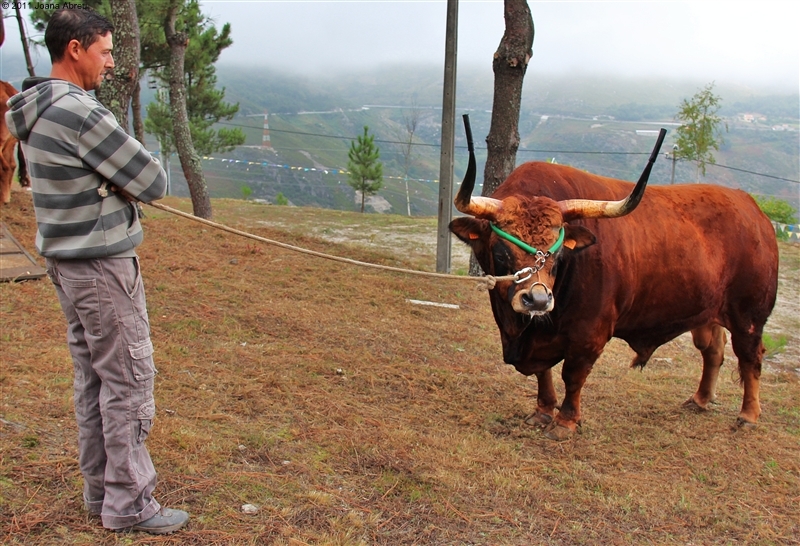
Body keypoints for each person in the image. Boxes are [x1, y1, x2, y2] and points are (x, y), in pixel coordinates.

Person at [5, 7, 189, 535]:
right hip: (102, 265)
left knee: (93, 380)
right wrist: (123, 180)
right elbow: (152, 181)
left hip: (65, 260)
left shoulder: (35, 108)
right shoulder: (81, 113)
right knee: (129, 379)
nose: (111, 63)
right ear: (76, 49)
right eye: (106, 52)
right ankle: (130, 503)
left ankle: (99, 490)